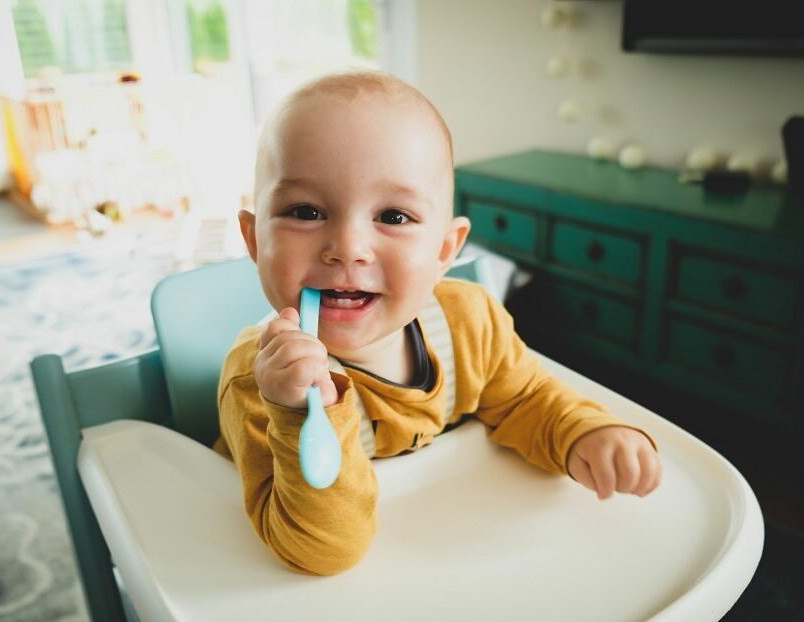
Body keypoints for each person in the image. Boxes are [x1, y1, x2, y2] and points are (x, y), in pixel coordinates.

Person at [214, 70, 661, 576]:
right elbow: (320, 551)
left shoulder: (468, 323)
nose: (348, 248)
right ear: (254, 240)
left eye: (394, 217)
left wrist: (584, 433)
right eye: (305, 210)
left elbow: (524, 398)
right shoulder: (259, 383)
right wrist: (299, 412)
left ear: (446, 249)